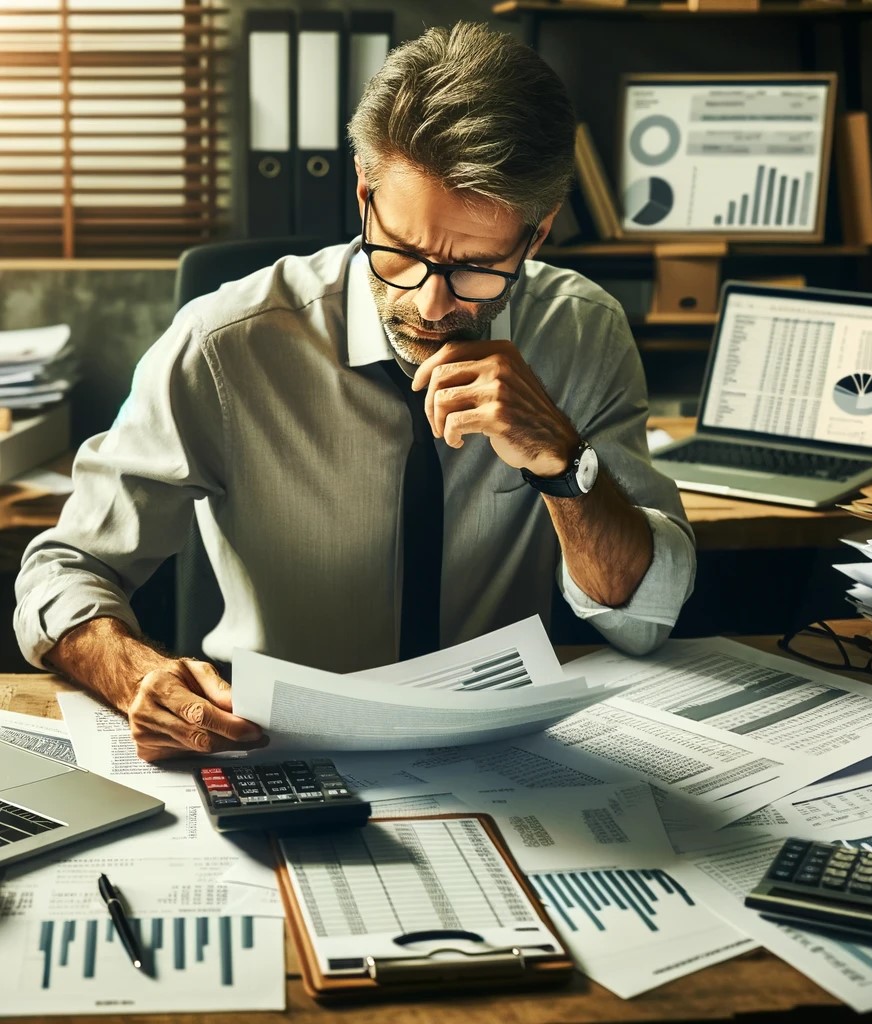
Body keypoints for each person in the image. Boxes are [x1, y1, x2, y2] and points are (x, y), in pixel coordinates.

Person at [14, 22, 696, 762]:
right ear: (365, 194)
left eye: (475, 267)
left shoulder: (583, 332)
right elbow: (63, 569)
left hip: (503, 748)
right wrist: (135, 674)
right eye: (402, 253)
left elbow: (644, 618)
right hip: (273, 744)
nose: (433, 304)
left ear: (535, 236)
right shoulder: (224, 344)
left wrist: (564, 466)